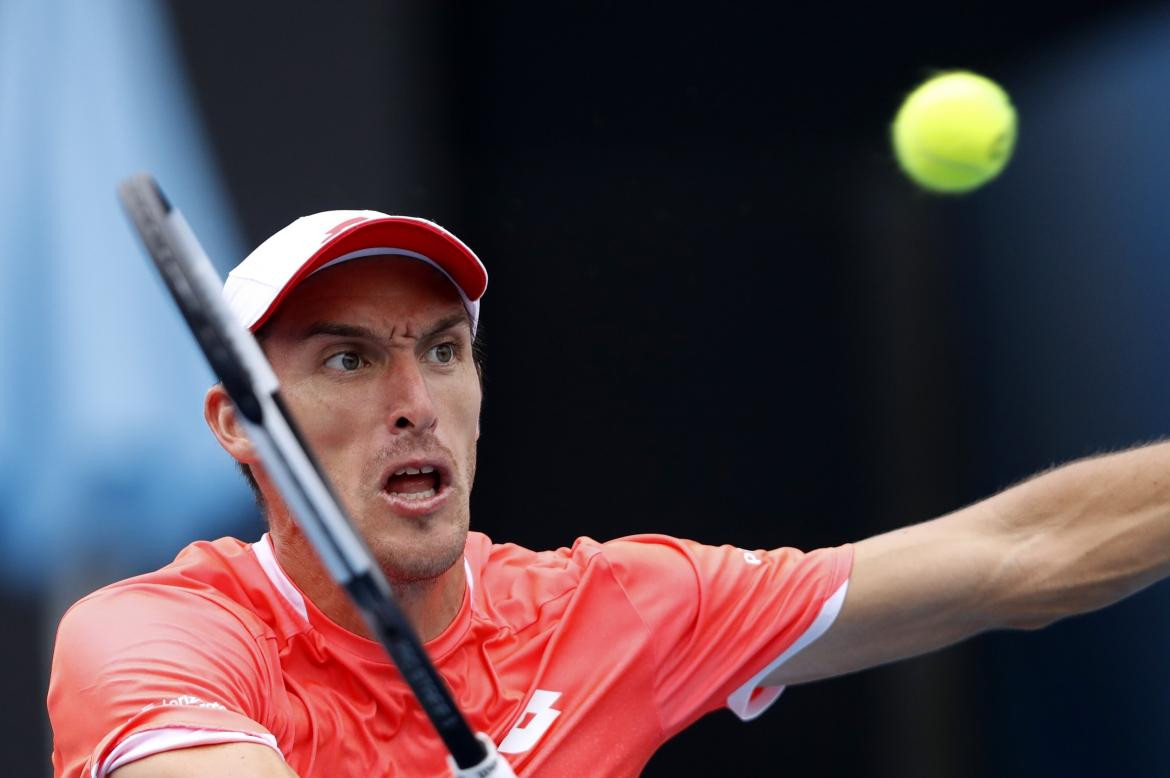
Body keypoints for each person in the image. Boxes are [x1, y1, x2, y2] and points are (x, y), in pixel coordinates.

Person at [47, 210, 1170, 777]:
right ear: (237, 421)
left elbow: (1020, 554)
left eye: (443, 352)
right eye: (347, 360)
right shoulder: (151, 634)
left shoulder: (610, 609)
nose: (413, 401)